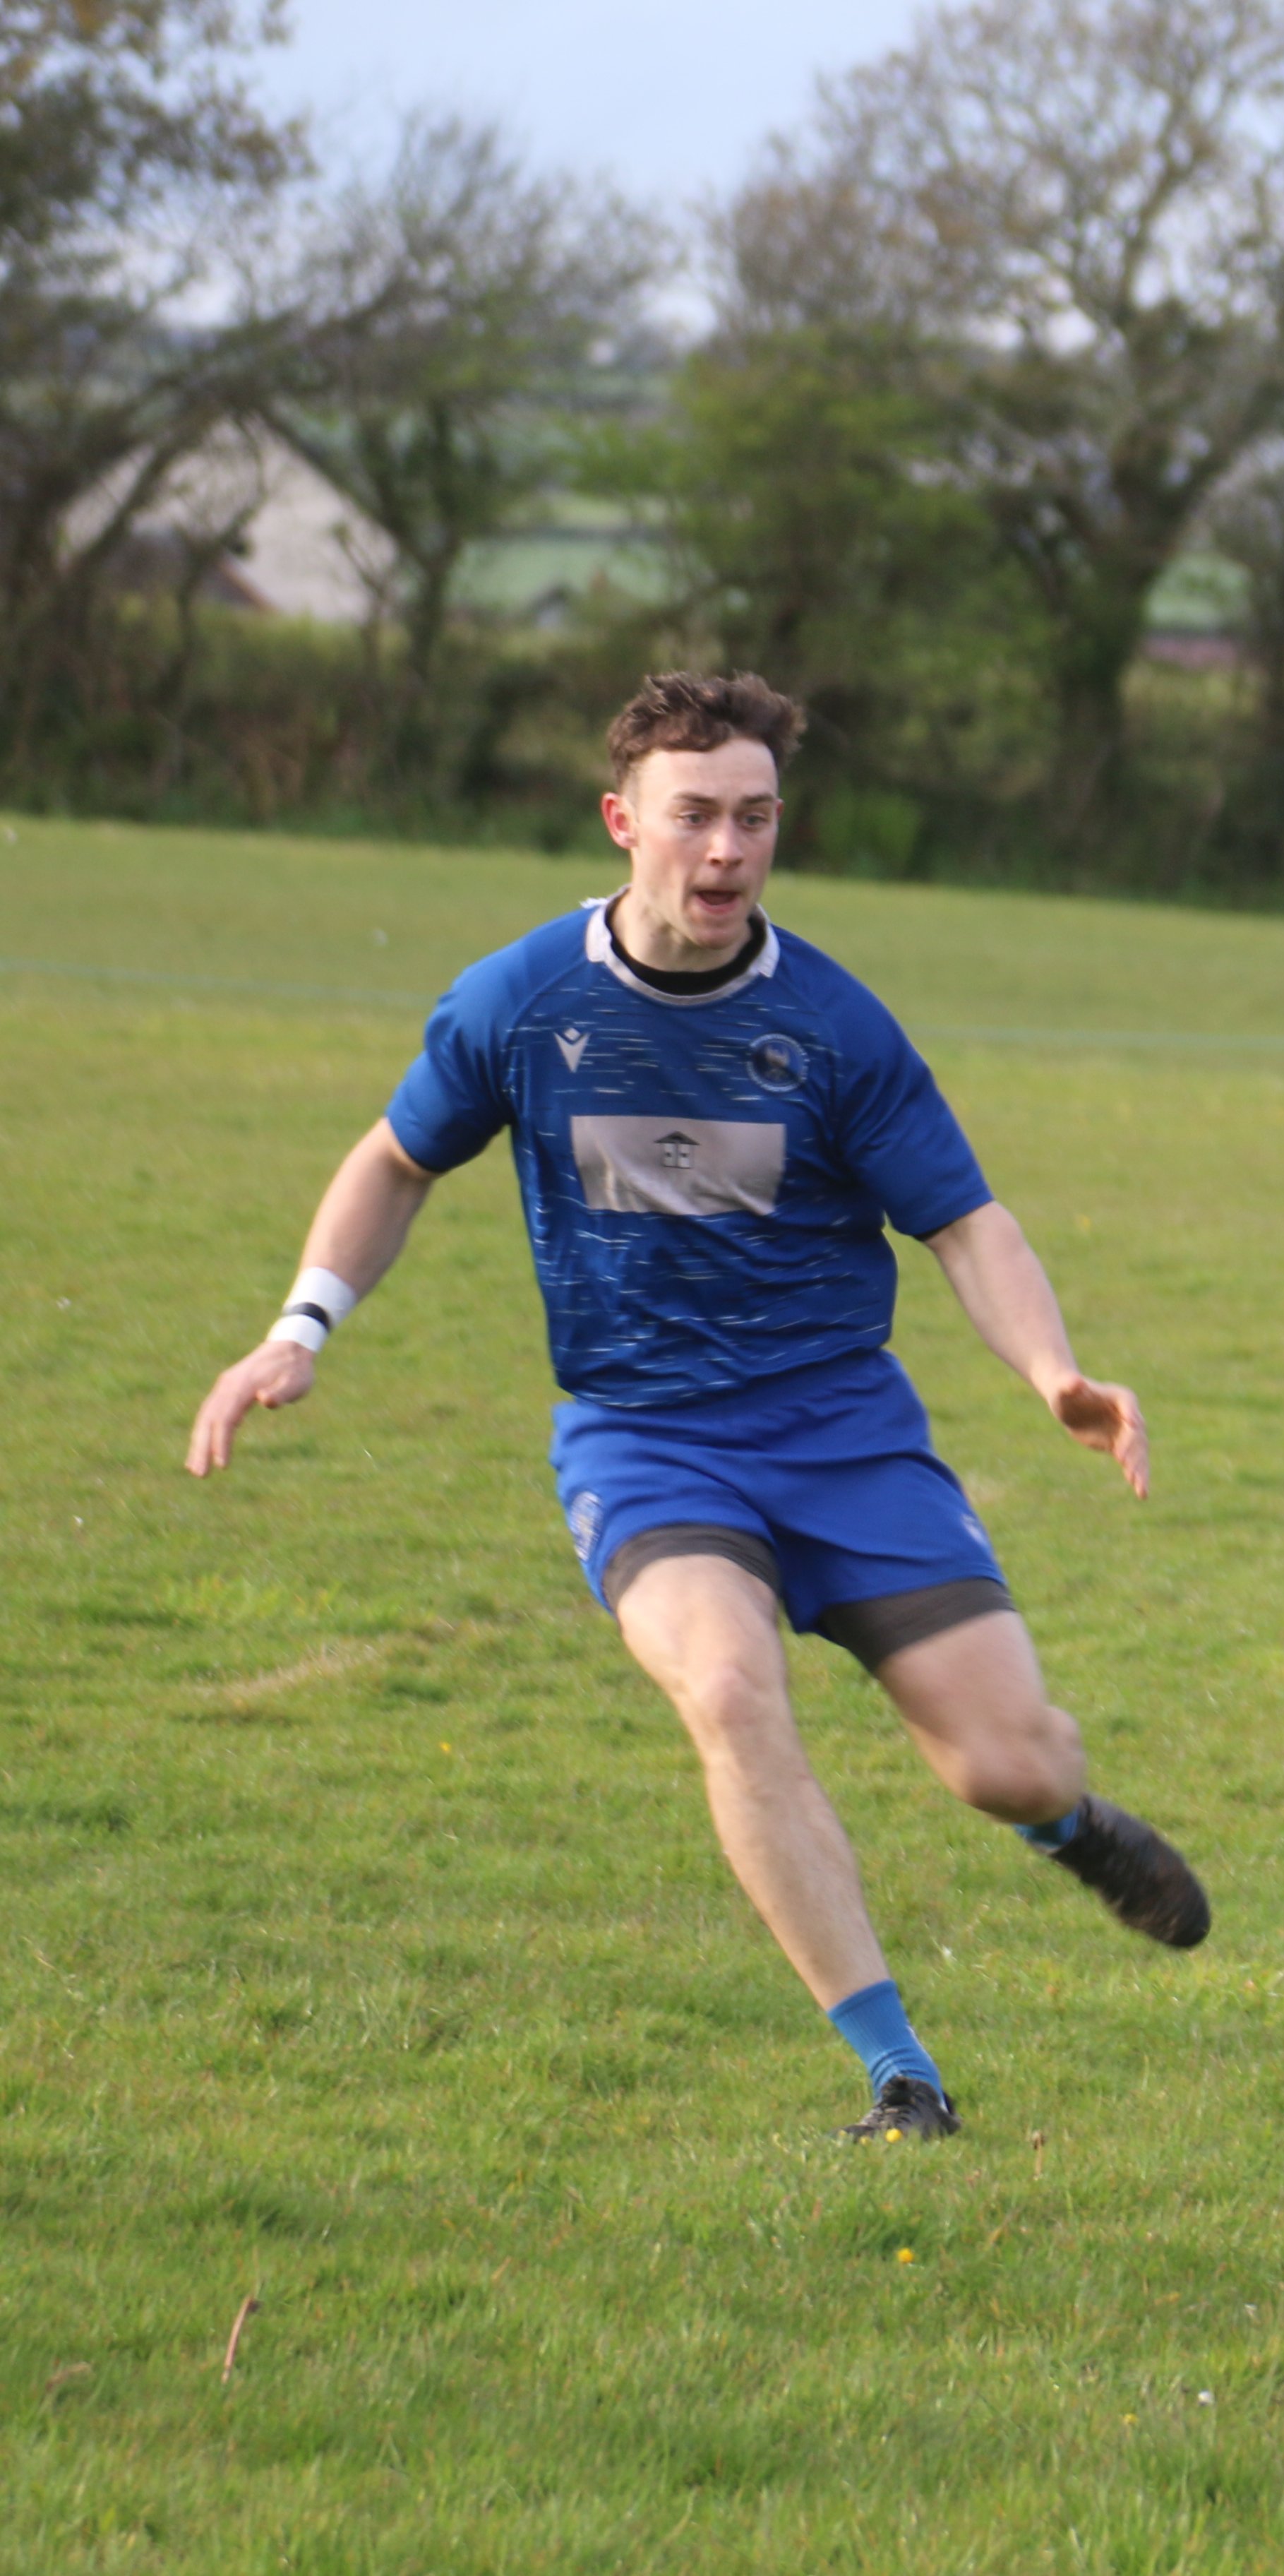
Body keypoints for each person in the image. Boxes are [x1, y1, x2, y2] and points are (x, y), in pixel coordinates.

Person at [183, 672, 1209, 2134]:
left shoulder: (837, 1029)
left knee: (1007, 1759)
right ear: (624, 824)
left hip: (846, 1440)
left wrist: (1055, 1373)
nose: (728, 851)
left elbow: (970, 1226)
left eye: (757, 818)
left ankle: (1065, 1824)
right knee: (730, 1693)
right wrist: (303, 1326)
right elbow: (396, 1160)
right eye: (696, 819)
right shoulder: (522, 1003)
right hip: (647, 1438)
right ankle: (897, 2075)